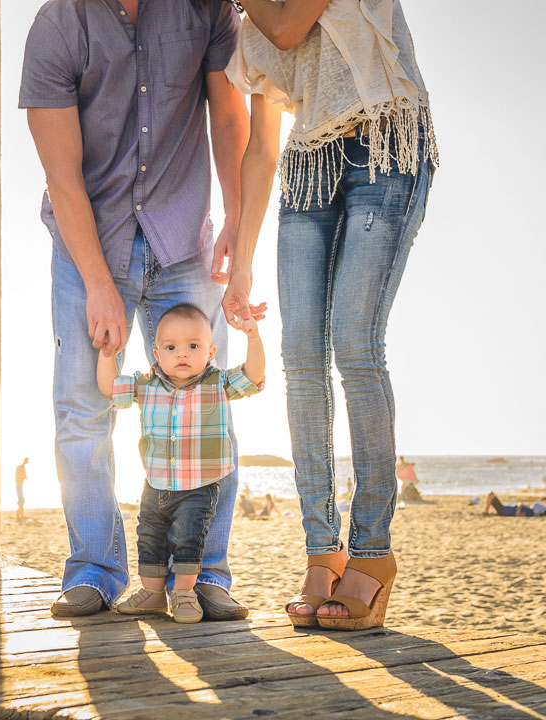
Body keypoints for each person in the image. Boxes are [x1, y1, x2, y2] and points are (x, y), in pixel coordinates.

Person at [19, 0, 257, 618]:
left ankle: (205, 575)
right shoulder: (57, 26)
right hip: (89, 242)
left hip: (185, 240)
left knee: (210, 408)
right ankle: (95, 571)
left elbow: (229, 117)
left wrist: (236, 215)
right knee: (82, 409)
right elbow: (61, 174)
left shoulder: (205, 9)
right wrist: (99, 281)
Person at [222, 0, 437, 630]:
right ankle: (323, 549)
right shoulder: (250, 28)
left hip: (387, 151)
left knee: (355, 344)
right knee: (300, 360)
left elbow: (290, 24)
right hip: (309, 166)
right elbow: (261, 149)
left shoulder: (267, 15)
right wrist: (241, 264)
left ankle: (372, 550)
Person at [97, 304, 265, 623]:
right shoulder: (146, 385)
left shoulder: (217, 383)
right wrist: (108, 355)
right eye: (171, 347)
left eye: (193, 346)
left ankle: (185, 592)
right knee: (149, 537)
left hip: (198, 486)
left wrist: (253, 337)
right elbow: (109, 388)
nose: (182, 354)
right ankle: (152, 593)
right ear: (157, 354)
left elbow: (253, 376)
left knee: (188, 537)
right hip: (155, 482)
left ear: (210, 351)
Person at [15, 457, 29, 521]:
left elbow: (23, 475)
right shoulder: (20, 467)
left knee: (21, 501)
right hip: (19, 485)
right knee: (21, 500)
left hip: (20, 484)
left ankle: (21, 516)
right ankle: (18, 516)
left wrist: (25, 477)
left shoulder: (22, 467)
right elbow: (19, 475)